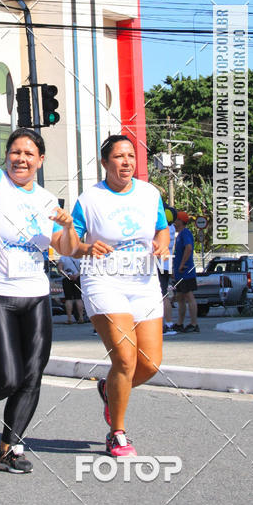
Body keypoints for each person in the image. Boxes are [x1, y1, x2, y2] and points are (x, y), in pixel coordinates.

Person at [0, 76, 80, 474]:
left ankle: (10, 447)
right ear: (7, 156)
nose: (21, 158)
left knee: (32, 375)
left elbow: (66, 250)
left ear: (40, 160)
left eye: (29, 153)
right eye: (15, 151)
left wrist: (67, 225)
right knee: (7, 377)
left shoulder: (48, 200)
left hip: (35, 296)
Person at [71, 134, 169, 458]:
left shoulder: (150, 193)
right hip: (103, 281)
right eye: (118, 156)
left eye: (130, 156)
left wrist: (163, 243)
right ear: (105, 163)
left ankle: (107, 388)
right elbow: (68, 238)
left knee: (150, 364)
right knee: (125, 359)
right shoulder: (90, 199)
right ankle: (117, 433)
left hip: (143, 282)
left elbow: (161, 227)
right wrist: (85, 246)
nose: (126, 161)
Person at [173, 211, 199, 334]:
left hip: (186, 271)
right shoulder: (180, 235)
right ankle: (180, 323)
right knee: (180, 297)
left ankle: (194, 324)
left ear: (180, 221)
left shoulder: (185, 233)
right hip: (180, 272)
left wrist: (182, 264)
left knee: (189, 296)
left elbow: (188, 248)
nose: (174, 221)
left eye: (176, 219)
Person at [160, 206, 177, 336]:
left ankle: (167, 324)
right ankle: (168, 323)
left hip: (158, 265)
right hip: (166, 265)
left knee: (161, 297)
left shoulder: (163, 230)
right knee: (164, 295)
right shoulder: (172, 229)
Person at [58, 255, 86, 324]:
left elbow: (60, 269)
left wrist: (68, 275)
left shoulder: (63, 257)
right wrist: (76, 275)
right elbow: (84, 268)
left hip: (67, 279)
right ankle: (81, 317)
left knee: (68, 299)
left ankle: (69, 318)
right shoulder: (80, 256)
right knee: (79, 298)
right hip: (78, 278)